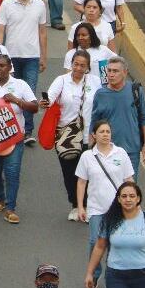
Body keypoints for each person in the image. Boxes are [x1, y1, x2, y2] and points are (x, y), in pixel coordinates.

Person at [0, 55, 38, 223]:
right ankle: (0, 199)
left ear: (10, 67)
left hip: (14, 138)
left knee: (12, 173)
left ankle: (11, 208)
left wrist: (17, 100)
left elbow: (35, 107)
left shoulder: (20, 85)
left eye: (2, 65)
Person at [46, 51, 101, 217]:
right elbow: (49, 98)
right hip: (66, 136)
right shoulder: (61, 81)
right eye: (76, 64)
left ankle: (88, 205)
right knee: (70, 173)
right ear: (71, 64)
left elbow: (101, 104)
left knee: (90, 172)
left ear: (88, 67)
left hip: (89, 137)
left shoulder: (96, 82)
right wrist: (45, 102)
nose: (78, 68)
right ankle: (76, 205)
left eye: (82, 65)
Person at [0, 0, 48, 137]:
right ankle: (11, 127)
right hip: (11, 58)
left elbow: (42, 32)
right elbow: (0, 29)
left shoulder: (39, 5)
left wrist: (43, 57)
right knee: (11, 93)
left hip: (32, 56)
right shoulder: (6, 5)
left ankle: (27, 130)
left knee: (29, 94)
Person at [88, 57, 145, 169]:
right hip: (106, 151)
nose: (111, 74)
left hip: (131, 152)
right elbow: (94, 122)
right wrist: (90, 148)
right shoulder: (100, 94)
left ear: (125, 72)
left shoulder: (136, 90)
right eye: (109, 70)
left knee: (129, 185)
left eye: (115, 71)